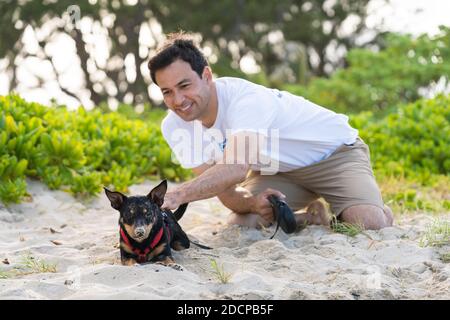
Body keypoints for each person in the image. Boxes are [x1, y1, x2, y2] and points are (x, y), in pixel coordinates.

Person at [147, 32, 393, 230]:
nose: (178, 100)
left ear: (207, 75)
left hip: (334, 155)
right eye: (167, 91)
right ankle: (311, 218)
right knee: (243, 224)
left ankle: (376, 208)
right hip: (278, 171)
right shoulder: (173, 125)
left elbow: (235, 168)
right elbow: (226, 190)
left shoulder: (246, 100)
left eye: (184, 85)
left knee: (367, 224)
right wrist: (253, 203)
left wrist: (177, 195)